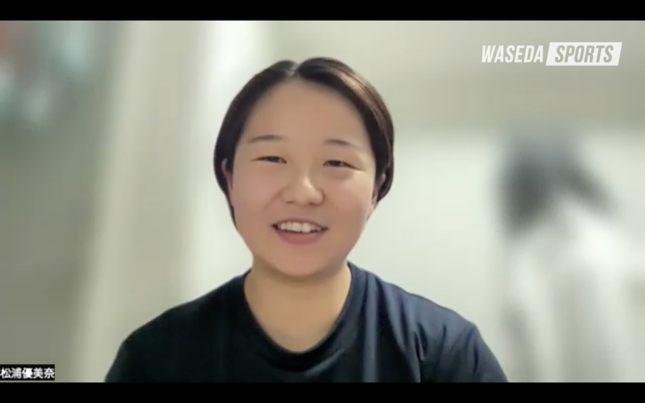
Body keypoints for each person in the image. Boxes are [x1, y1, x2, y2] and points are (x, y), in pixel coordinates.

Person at [105, 57, 507, 382]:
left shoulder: (444, 355)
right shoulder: (156, 359)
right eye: (272, 158)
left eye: (336, 162)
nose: (303, 192)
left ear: (376, 188)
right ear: (229, 178)